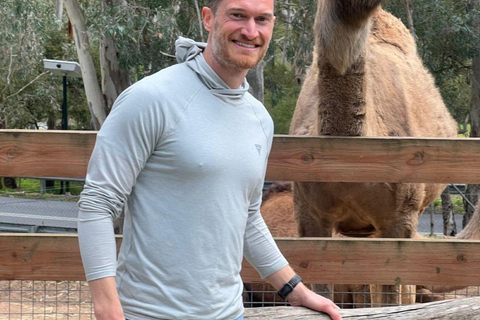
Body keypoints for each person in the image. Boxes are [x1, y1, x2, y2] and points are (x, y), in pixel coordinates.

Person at [77, 0, 342, 319]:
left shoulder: (259, 119)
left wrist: (295, 290)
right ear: (208, 18)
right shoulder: (151, 99)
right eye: (238, 16)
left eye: (262, 19)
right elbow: (97, 203)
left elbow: (247, 215)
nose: (250, 30)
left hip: (229, 313)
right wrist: (107, 309)